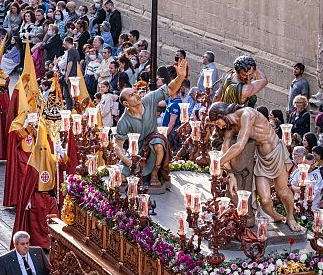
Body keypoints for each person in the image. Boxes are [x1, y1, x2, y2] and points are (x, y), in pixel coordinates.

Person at [209, 101, 301, 232]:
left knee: (282, 191)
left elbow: (239, 146)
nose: (220, 127)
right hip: (261, 159)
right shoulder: (231, 127)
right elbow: (225, 148)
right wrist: (229, 173)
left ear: (223, 115)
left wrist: (216, 163)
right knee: (264, 200)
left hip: (276, 153)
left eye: (218, 123)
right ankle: (277, 216)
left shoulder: (247, 114)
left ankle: (290, 217)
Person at [113, 59, 188, 189]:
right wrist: (126, 159)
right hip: (136, 150)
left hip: (152, 141)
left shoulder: (149, 100)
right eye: (131, 95)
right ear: (126, 103)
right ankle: (138, 175)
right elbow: (117, 145)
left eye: (135, 92)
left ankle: (155, 172)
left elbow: (170, 89)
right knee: (121, 177)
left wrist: (180, 77)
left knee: (158, 142)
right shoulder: (123, 121)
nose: (136, 95)